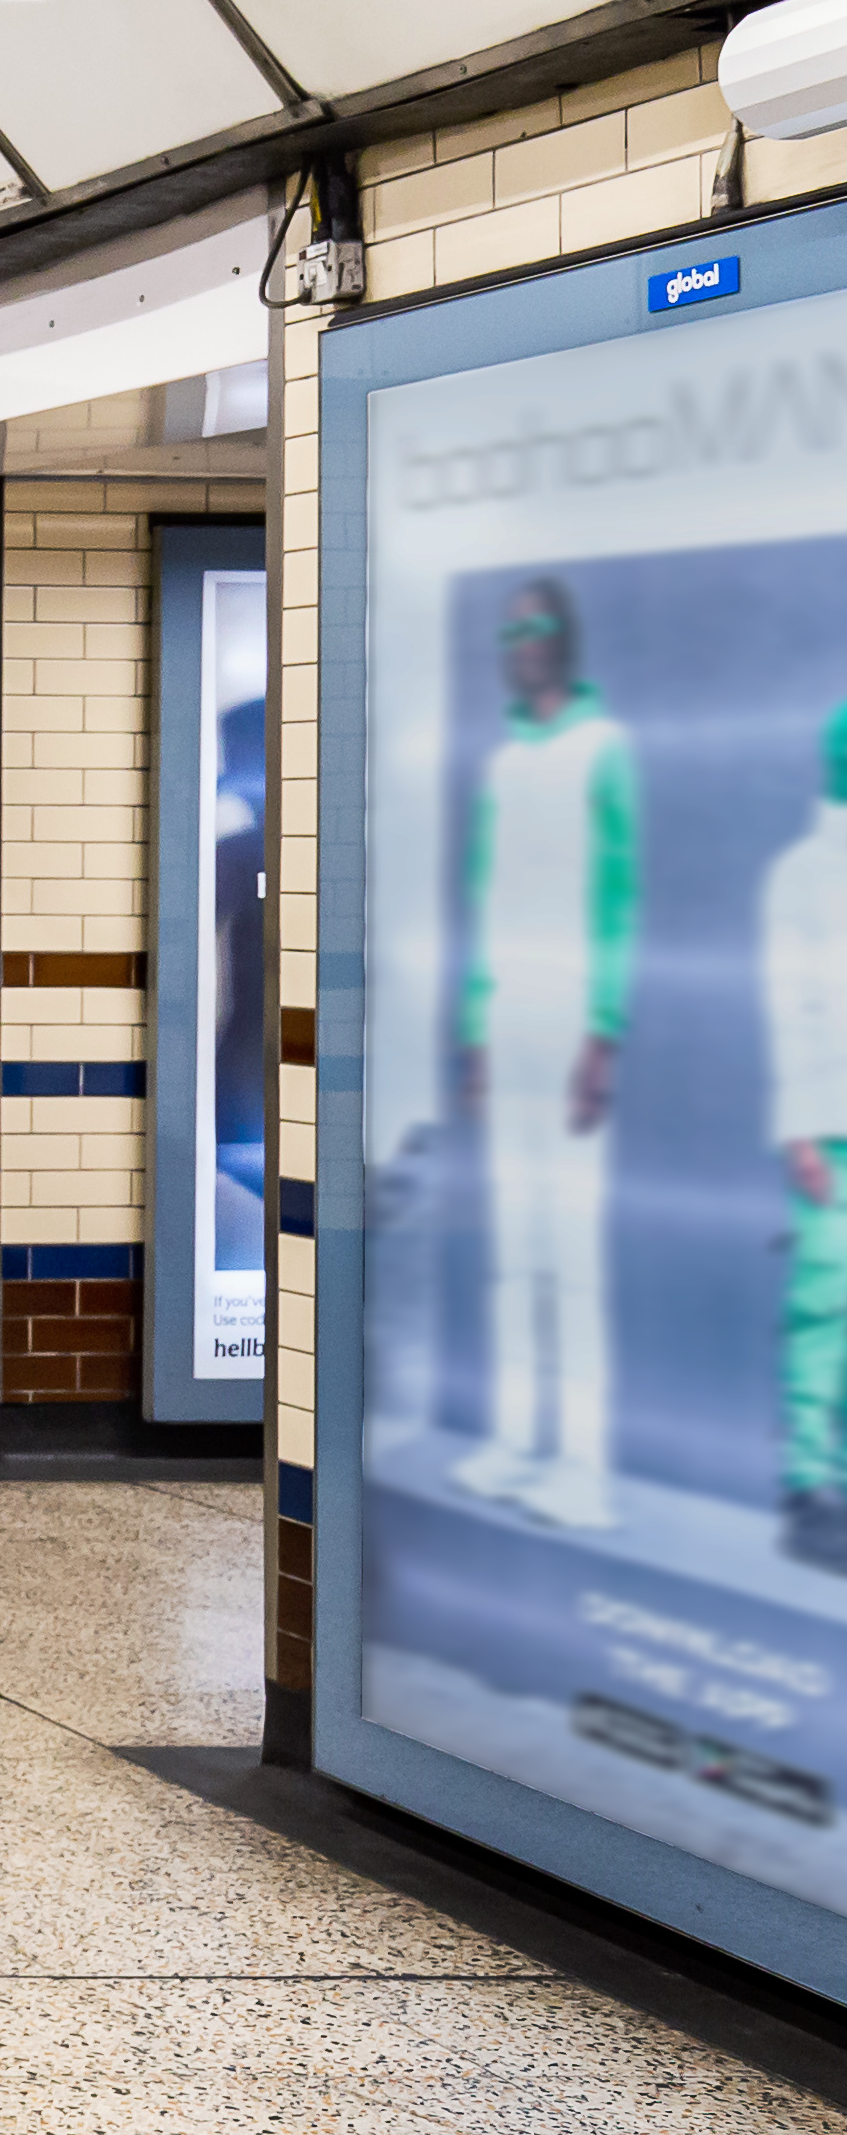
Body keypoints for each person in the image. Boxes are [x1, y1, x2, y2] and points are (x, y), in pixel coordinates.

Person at [456, 578, 634, 1531]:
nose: (518, 644)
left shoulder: (602, 751)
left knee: (570, 1248)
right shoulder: (503, 763)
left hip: (572, 1016)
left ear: (562, 637)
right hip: (511, 1015)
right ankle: (516, 1441)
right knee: (513, 1243)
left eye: (533, 628)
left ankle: (582, 1462)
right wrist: (479, 1032)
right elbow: (486, 902)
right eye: (509, 629)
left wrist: (602, 1031)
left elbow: (621, 895)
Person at [763, 702, 847, 1574]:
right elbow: (795, 1008)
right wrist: (801, 1133)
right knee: (827, 1305)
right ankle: (809, 1489)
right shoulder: (808, 872)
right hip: (832, 1124)